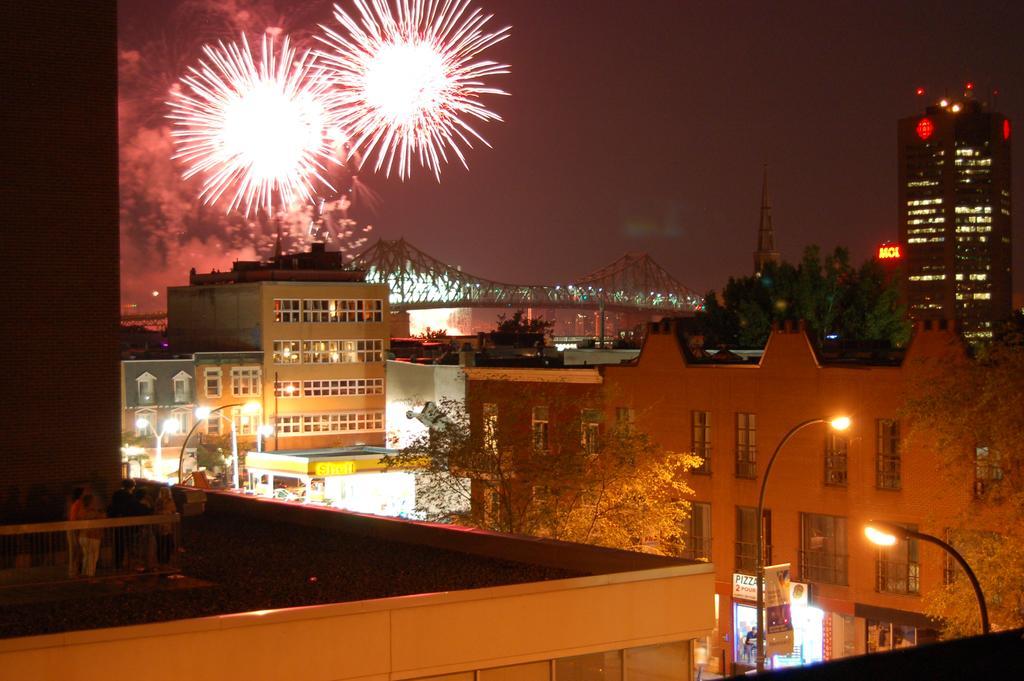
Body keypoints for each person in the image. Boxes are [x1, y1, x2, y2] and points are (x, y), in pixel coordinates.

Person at [77, 494, 105, 578]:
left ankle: (84, 574)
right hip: (93, 536)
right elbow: (101, 519)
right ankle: (90, 575)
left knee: (86, 556)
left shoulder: (81, 512)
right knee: (93, 557)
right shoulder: (92, 512)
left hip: (82, 536)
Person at [154, 487, 177, 566]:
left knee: (166, 544)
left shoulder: (167, 501)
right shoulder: (159, 502)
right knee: (161, 544)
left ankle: (165, 560)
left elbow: (173, 510)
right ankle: (161, 561)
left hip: (166, 526)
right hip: (162, 526)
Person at [65, 487, 85, 578]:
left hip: (76, 529)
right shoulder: (77, 504)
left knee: (77, 550)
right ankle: (73, 572)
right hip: (74, 529)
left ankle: (76, 570)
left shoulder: (79, 504)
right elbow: (74, 519)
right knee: (74, 550)